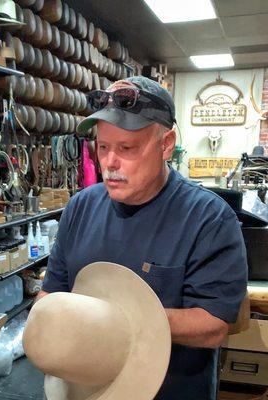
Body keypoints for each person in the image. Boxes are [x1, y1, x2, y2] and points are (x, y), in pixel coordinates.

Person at [39, 76, 248, 399]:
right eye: (103, 147)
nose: (109, 163)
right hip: (84, 389)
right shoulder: (81, 207)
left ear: (166, 144)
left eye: (127, 148)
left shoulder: (209, 218)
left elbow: (213, 325)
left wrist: (116, 322)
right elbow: (51, 292)